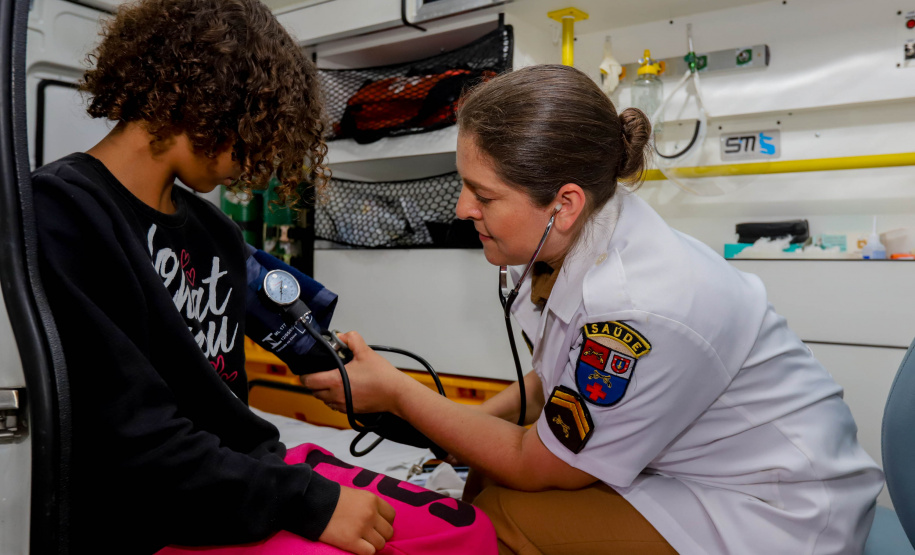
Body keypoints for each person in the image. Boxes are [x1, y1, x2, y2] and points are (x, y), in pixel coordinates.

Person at [302, 65, 885, 555]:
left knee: (499, 515)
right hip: (703, 473)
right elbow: (553, 379)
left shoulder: (637, 307)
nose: (460, 208)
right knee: (480, 479)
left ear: (565, 203)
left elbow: (536, 464)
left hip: (775, 512)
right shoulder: (561, 237)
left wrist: (402, 394)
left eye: (482, 195)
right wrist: (467, 425)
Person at [31, 1, 399, 553]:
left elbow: (231, 404)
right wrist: (304, 501)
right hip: (141, 518)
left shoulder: (216, 233)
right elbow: (125, 439)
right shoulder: (59, 213)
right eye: (259, 126)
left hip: (233, 491)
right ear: (204, 100)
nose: (261, 160)